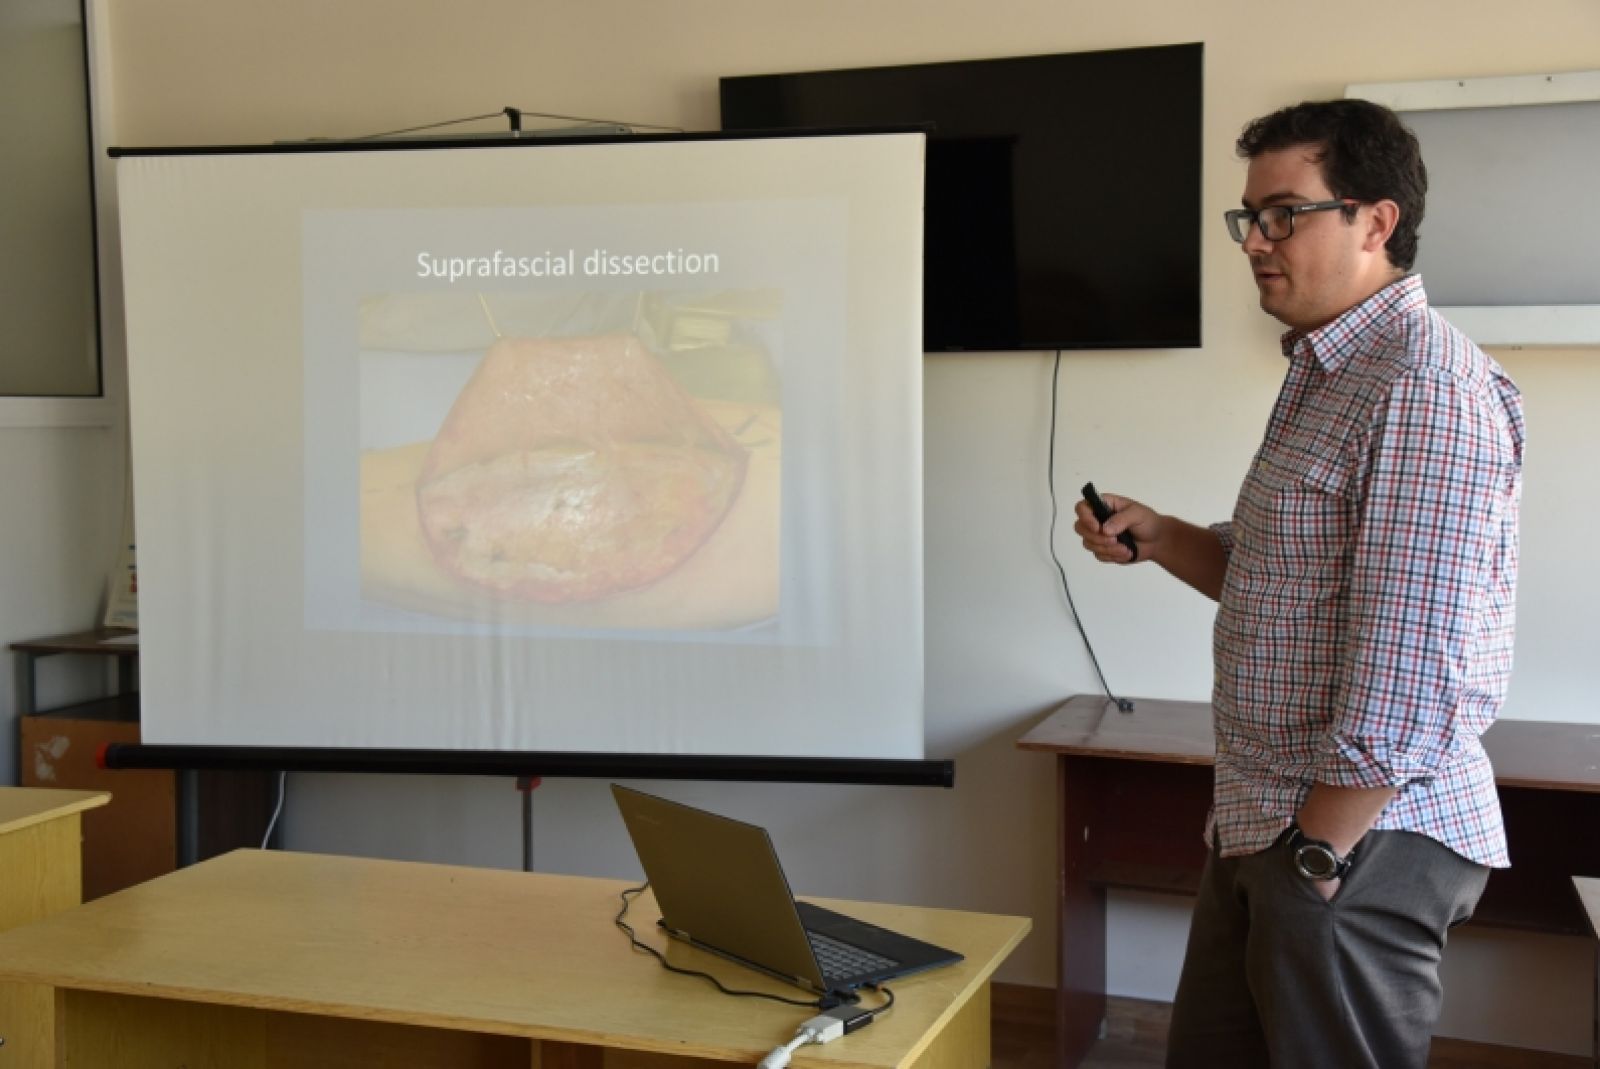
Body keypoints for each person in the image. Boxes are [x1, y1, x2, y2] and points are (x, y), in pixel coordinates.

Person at [1075, 99, 1524, 1069]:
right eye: (1250, 217)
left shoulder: (1422, 385)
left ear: (1374, 222)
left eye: (1284, 214)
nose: (1255, 241)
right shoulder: (1330, 369)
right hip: (1270, 820)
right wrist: (1164, 537)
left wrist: (1318, 850)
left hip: (1354, 837)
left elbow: (1412, 659)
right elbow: (1281, 576)